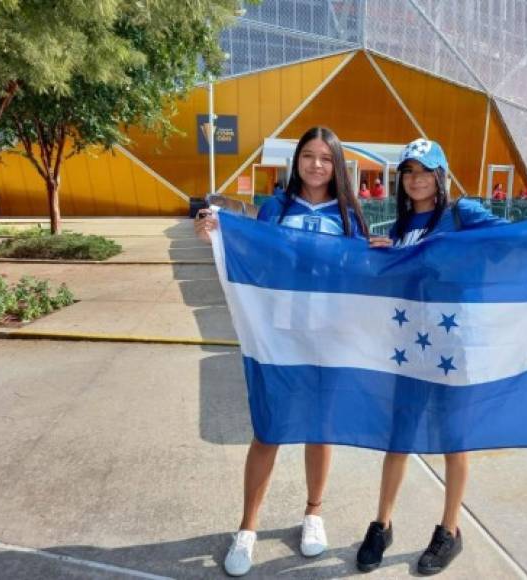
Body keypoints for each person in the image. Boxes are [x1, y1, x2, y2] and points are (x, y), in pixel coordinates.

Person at [195, 126, 367, 577]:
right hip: (280, 337)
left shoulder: (349, 213)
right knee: (268, 431)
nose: (315, 165)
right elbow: (252, 251)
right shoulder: (276, 207)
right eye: (308, 156)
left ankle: (313, 513)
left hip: (328, 337)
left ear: (337, 165)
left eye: (325, 158)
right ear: (297, 161)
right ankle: (248, 528)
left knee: (320, 428)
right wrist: (217, 233)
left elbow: (363, 271)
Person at [361, 138, 507, 575]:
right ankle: (381, 524)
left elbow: (512, 238)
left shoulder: (463, 213)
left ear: (441, 174)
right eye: (408, 171)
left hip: (454, 344)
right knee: (398, 436)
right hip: (410, 344)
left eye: (425, 170)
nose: (416, 178)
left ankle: (450, 530)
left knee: (453, 438)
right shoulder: (404, 222)